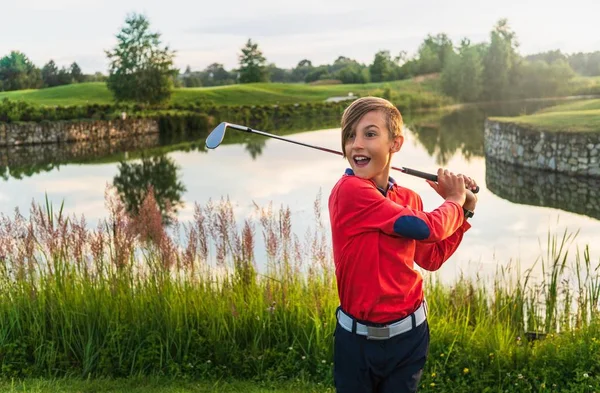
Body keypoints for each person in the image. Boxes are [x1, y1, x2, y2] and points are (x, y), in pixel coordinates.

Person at [328, 96, 478, 393]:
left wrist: (466, 209)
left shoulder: (409, 198)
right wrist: (454, 200)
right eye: (350, 135)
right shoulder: (350, 191)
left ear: (395, 144)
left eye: (370, 134)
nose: (356, 144)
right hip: (356, 342)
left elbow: (432, 257)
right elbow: (425, 227)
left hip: (410, 336)